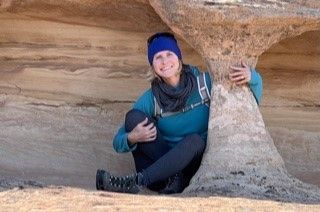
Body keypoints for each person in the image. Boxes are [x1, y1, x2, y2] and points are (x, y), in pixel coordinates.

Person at [96, 32, 263, 194]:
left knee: (194, 141)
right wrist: (132, 137)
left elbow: (248, 106)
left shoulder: (204, 83)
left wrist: (252, 78)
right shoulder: (150, 99)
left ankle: (137, 182)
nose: (165, 61)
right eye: (158, 57)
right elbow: (118, 141)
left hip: (194, 168)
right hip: (162, 174)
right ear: (153, 65)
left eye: (169, 54)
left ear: (179, 58)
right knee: (133, 117)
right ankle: (172, 177)